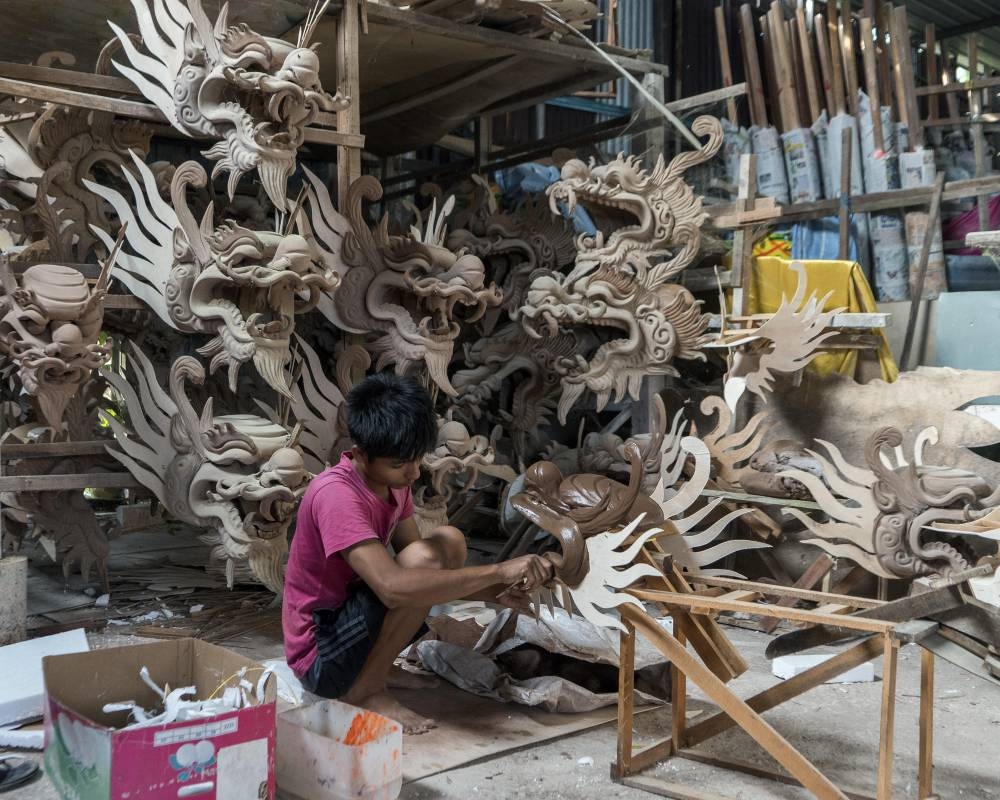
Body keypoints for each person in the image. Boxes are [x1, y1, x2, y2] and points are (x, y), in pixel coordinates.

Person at [282, 373, 552, 733]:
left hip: (351, 628)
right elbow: (394, 587)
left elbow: (422, 570)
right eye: (398, 464)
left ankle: (372, 669)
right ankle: (365, 690)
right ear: (360, 454)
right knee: (421, 563)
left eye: (416, 459)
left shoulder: (392, 484)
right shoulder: (337, 494)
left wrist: (492, 593)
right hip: (319, 656)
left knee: (447, 541)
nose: (412, 473)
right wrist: (497, 571)